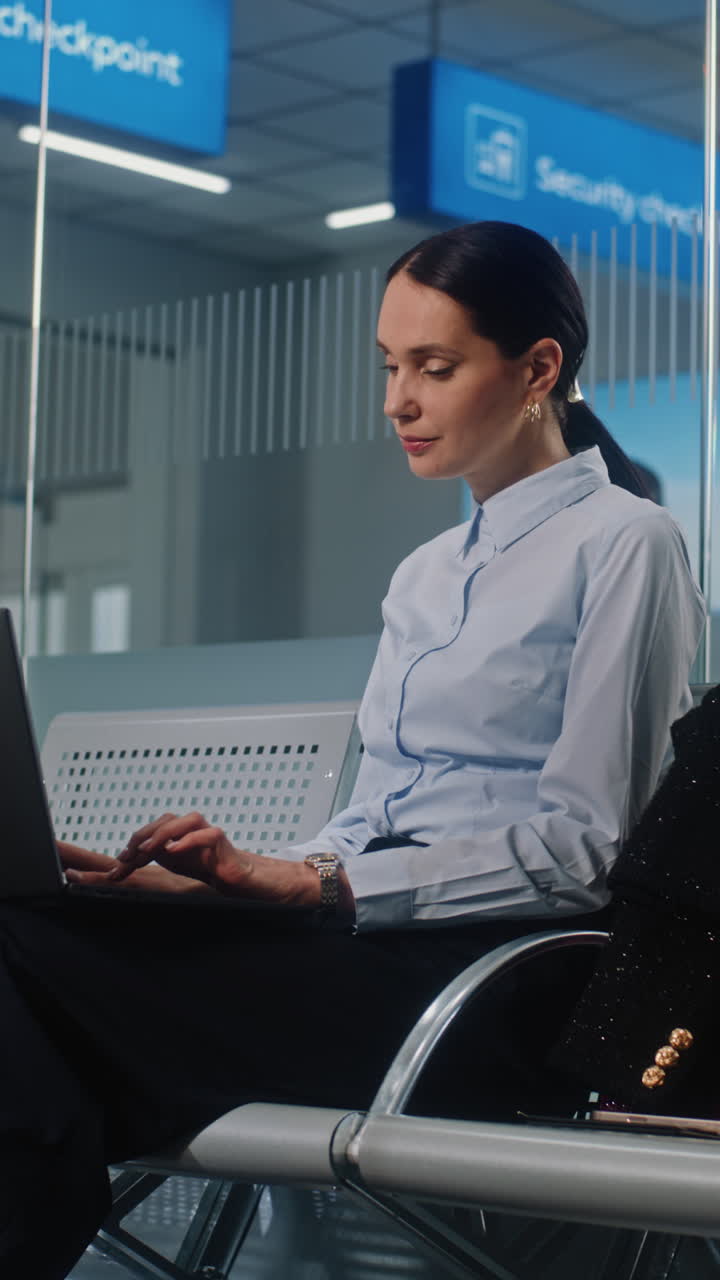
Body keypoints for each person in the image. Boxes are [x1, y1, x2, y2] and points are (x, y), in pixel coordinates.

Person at [0, 221, 704, 1279]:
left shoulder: (626, 542)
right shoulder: (423, 574)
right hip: (363, 948)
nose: (397, 401)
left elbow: (583, 850)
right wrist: (227, 885)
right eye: (389, 366)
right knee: (30, 919)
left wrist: (310, 890)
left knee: (36, 978)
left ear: (538, 368)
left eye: (435, 365)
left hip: (479, 984)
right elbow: (370, 819)